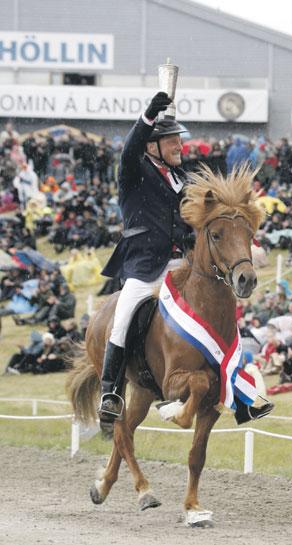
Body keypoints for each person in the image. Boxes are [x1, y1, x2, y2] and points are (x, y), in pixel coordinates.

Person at [97, 92, 194, 435]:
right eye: (172, 140)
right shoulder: (133, 171)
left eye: (179, 139)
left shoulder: (182, 179)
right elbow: (129, 148)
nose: (179, 145)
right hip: (144, 266)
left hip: (180, 263)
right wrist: (150, 114)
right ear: (152, 146)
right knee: (122, 317)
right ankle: (110, 391)